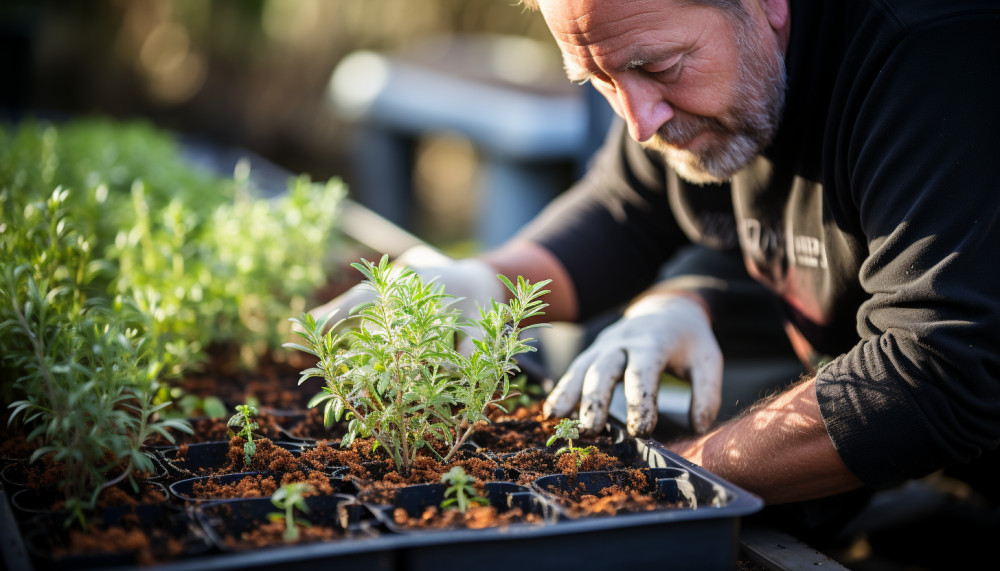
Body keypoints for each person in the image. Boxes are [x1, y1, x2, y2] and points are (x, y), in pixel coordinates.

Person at [311, 0, 1000, 509]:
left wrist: (661, 477)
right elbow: (628, 207)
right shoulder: (673, 61)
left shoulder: (931, 52)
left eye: (658, 67)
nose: (640, 123)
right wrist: (486, 280)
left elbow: (938, 370)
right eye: (600, 81)